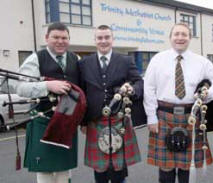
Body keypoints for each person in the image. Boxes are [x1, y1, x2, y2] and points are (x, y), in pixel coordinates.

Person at [143, 23, 213, 183]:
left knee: (187, 165)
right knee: (166, 166)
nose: (180, 38)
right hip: (164, 115)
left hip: (191, 115)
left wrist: (210, 94)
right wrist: (151, 117)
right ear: (170, 37)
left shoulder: (201, 61)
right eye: (176, 34)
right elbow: (149, 88)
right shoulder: (158, 59)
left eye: (184, 34)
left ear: (190, 38)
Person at [15, 22, 80, 183]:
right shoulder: (36, 58)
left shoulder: (76, 58)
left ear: (69, 40)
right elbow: (20, 88)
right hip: (42, 122)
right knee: (45, 173)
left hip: (67, 121)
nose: (60, 41)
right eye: (55, 37)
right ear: (46, 38)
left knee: (65, 171)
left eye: (64, 38)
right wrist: (47, 86)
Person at [79, 25, 143, 183]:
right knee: (99, 170)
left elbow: (139, 83)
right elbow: (82, 93)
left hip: (118, 120)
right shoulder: (84, 63)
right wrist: (83, 121)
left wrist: (132, 89)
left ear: (112, 39)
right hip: (95, 120)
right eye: (100, 38)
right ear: (94, 40)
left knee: (118, 168)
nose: (103, 41)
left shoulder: (126, 60)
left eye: (107, 37)